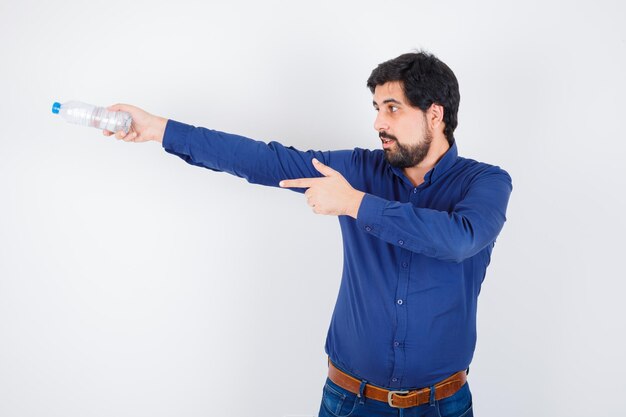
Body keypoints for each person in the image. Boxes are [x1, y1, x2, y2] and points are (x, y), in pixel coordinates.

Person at [103, 50, 512, 417]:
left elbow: (459, 240)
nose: (377, 123)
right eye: (376, 108)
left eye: (392, 108)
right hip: (349, 401)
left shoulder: (486, 183)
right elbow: (266, 160)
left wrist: (354, 203)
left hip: (441, 407)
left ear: (435, 114)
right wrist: (160, 128)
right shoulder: (358, 169)